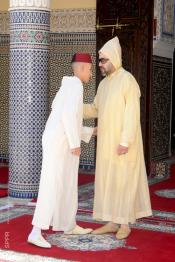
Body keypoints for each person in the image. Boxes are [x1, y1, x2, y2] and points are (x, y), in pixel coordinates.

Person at [84, 37, 152, 240]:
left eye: (103, 60)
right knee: (110, 181)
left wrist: (124, 141)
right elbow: (95, 109)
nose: (100, 64)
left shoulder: (128, 80)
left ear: (113, 58)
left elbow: (132, 114)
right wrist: (73, 108)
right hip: (106, 144)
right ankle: (112, 222)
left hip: (123, 145)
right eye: (100, 60)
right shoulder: (104, 85)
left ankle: (124, 224)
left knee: (123, 182)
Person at [28, 53, 95, 248]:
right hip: (60, 143)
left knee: (68, 183)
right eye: (89, 70)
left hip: (62, 140)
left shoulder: (69, 86)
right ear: (82, 68)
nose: (90, 74)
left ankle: (69, 224)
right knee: (51, 184)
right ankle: (35, 231)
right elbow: (66, 115)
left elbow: (68, 118)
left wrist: (90, 131)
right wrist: (75, 143)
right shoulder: (74, 86)